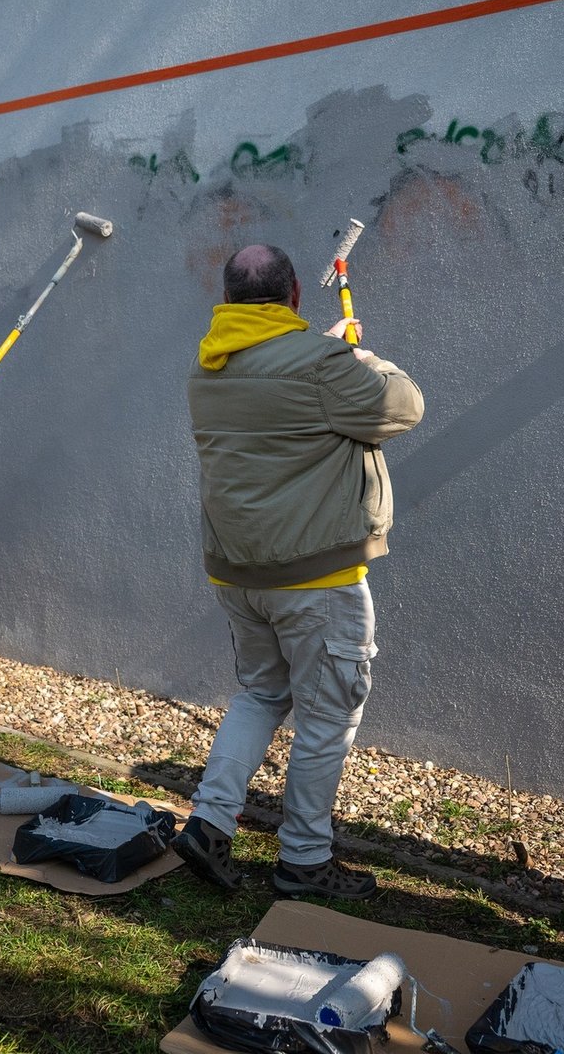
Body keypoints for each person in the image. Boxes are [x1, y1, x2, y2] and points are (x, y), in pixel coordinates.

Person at [172, 244, 423, 901]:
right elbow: (403, 406)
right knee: (327, 718)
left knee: (261, 694)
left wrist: (329, 355)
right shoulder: (323, 365)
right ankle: (304, 860)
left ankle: (209, 822)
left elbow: (283, 387)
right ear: (294, 297)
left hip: (237, 574)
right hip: (316, 580)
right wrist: (361, 358)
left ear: (228, 300)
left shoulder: (208, 365)